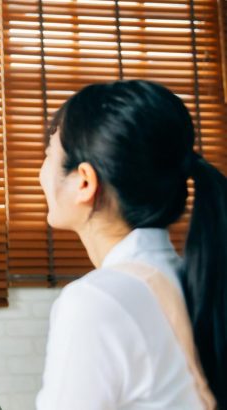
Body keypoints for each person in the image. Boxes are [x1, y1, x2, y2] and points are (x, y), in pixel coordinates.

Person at [36, 80, 226, 409]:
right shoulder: (190, 277)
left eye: (49, 155)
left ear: (84, 182)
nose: (41, 174)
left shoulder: (96, 301)